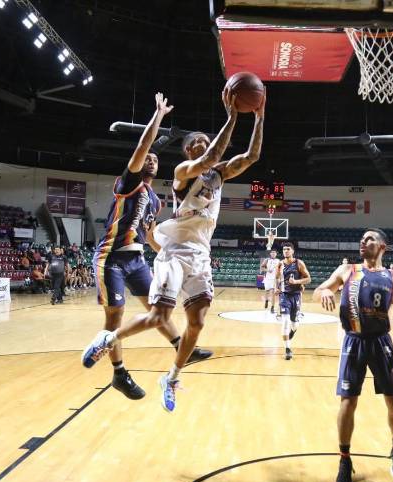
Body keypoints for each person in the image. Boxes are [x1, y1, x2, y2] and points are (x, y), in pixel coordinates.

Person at [82, 86, 265, 412]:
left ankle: (172, 376)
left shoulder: (199, 182)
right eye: (196, 142)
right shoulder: (181, 173)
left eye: (205, 139)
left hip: (192, 254)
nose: (202, 143)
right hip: (157, 253)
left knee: (197, 322)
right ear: (187, 151)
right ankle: (109, 343)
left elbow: (251, 157)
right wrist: (233, 115)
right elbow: (207, 157)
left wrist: (260, 117)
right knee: (151, 315)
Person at [83, 93, 214, 400]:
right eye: (148, 159)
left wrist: (163, 253)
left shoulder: (155, 201)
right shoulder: (129, 183)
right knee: (115, 316)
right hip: (111, 257)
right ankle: (119, 373)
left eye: (156, 159)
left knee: (158, 312)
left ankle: (183, 348)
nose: (152, 160)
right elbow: (144, 146)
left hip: (138, 259)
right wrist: (158, 116)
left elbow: (151, 235)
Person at [313, 228, 393, 482]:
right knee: (348, 401)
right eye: (362, 238)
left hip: (382, 343)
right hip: (353, 341)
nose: (363, 241)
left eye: (370, 238)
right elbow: (319, 290)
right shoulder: (347, 271)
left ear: (383, 246)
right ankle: (344, 459)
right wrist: (324, 291)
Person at [275, 242, 311, 360]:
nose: (286, 251)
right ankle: (287, 349)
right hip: (284, 295)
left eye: (288, 249)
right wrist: (276, 288)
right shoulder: (280, 264)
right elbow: (277, 278)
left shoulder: (299, 263)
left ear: (293, 251)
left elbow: (308, 279)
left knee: (294, 324)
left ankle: (292, 331)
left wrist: (296, 282)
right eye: (284, 249)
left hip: (296, 296)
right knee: (285, 321)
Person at [260, 249, 280, 314]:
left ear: (276, 254)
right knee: (267, 292)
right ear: (270, 254)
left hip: (274, 279)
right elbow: (262, 267)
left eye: (274, 253)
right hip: (267, 278)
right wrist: (268, 270)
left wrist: (279, 277)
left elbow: (280, 269)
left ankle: (272, 307)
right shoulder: (267, 260)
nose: (273, 254)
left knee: (273, 293)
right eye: (272, 252)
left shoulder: (278, 261)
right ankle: (266, 300)